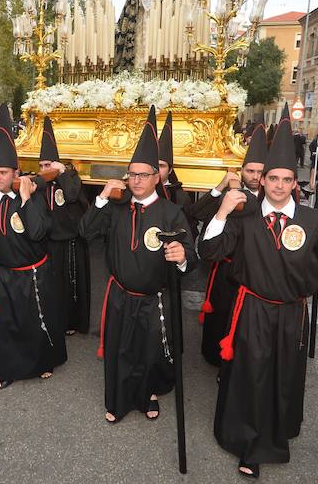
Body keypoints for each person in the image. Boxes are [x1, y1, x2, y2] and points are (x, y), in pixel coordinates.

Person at [198, 119, 318, 478]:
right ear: (263, 180)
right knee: (251, 375)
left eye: (287, 180)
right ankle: (249, 445)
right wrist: (222, 211)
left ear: (294, 182)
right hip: (251, 309)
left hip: (291, 314)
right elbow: (209, 251)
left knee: (284, 375)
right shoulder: (245, 218)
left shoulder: (315, 221)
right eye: (273, 178)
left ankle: (277, 431)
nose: (280, 186)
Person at [79, 105, 195, 423]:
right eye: (132, 174)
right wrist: (101, 197)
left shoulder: (170, 213)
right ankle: (117, 401)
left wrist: (182, 257)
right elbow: (85, 231)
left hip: (154, 298)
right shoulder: (116, 208)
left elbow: (191, 254)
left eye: (143, 174)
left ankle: (147, 398)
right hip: (119, 294)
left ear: (157, 177)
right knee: (119, 350)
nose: (136, 180)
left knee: (149, 351)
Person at [0, 104, 66, 390]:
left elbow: (38, 232)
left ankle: (42, 363)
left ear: (16, 173)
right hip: (5, 275)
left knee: (37, 321)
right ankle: (8, 368)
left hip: (34, 273)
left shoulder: (32, 199)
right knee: (9, 326)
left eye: (4, 172)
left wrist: (25, 199)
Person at [189, 123, 267, 367]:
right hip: (226, 267)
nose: (254, 176)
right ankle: (214, 356)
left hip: (257, 270)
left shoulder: (273, 198)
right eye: (250, 171)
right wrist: (221, 186)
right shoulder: (230, 194)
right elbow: (197, 213)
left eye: (259, 172)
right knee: (220, 315)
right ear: (241, 171)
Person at [38, 116, 91, 336]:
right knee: (52, 286)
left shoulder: (70, 178)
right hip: (49, 242)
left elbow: (71, 196)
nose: (43, 169)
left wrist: (62, 173)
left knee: (71, 284)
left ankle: (72, 321)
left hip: (70, 242)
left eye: (48, 165)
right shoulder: (40, 184)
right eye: (41, 165)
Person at [157, 111, 197, 237]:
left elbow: (189, 228)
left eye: (161, 166)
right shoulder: (138, 191)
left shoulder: (180, 196)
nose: (156, 170)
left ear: (170, 170)